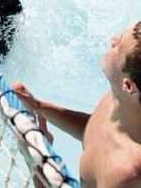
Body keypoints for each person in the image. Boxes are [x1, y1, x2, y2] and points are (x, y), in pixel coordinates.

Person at [13, 22, 141, 188]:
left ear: (129, 86)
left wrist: (37, 160)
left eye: (118, 47)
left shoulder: (125, 175)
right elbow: (96, 132)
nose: (113, 40)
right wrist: (39, 107)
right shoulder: (120, 98)